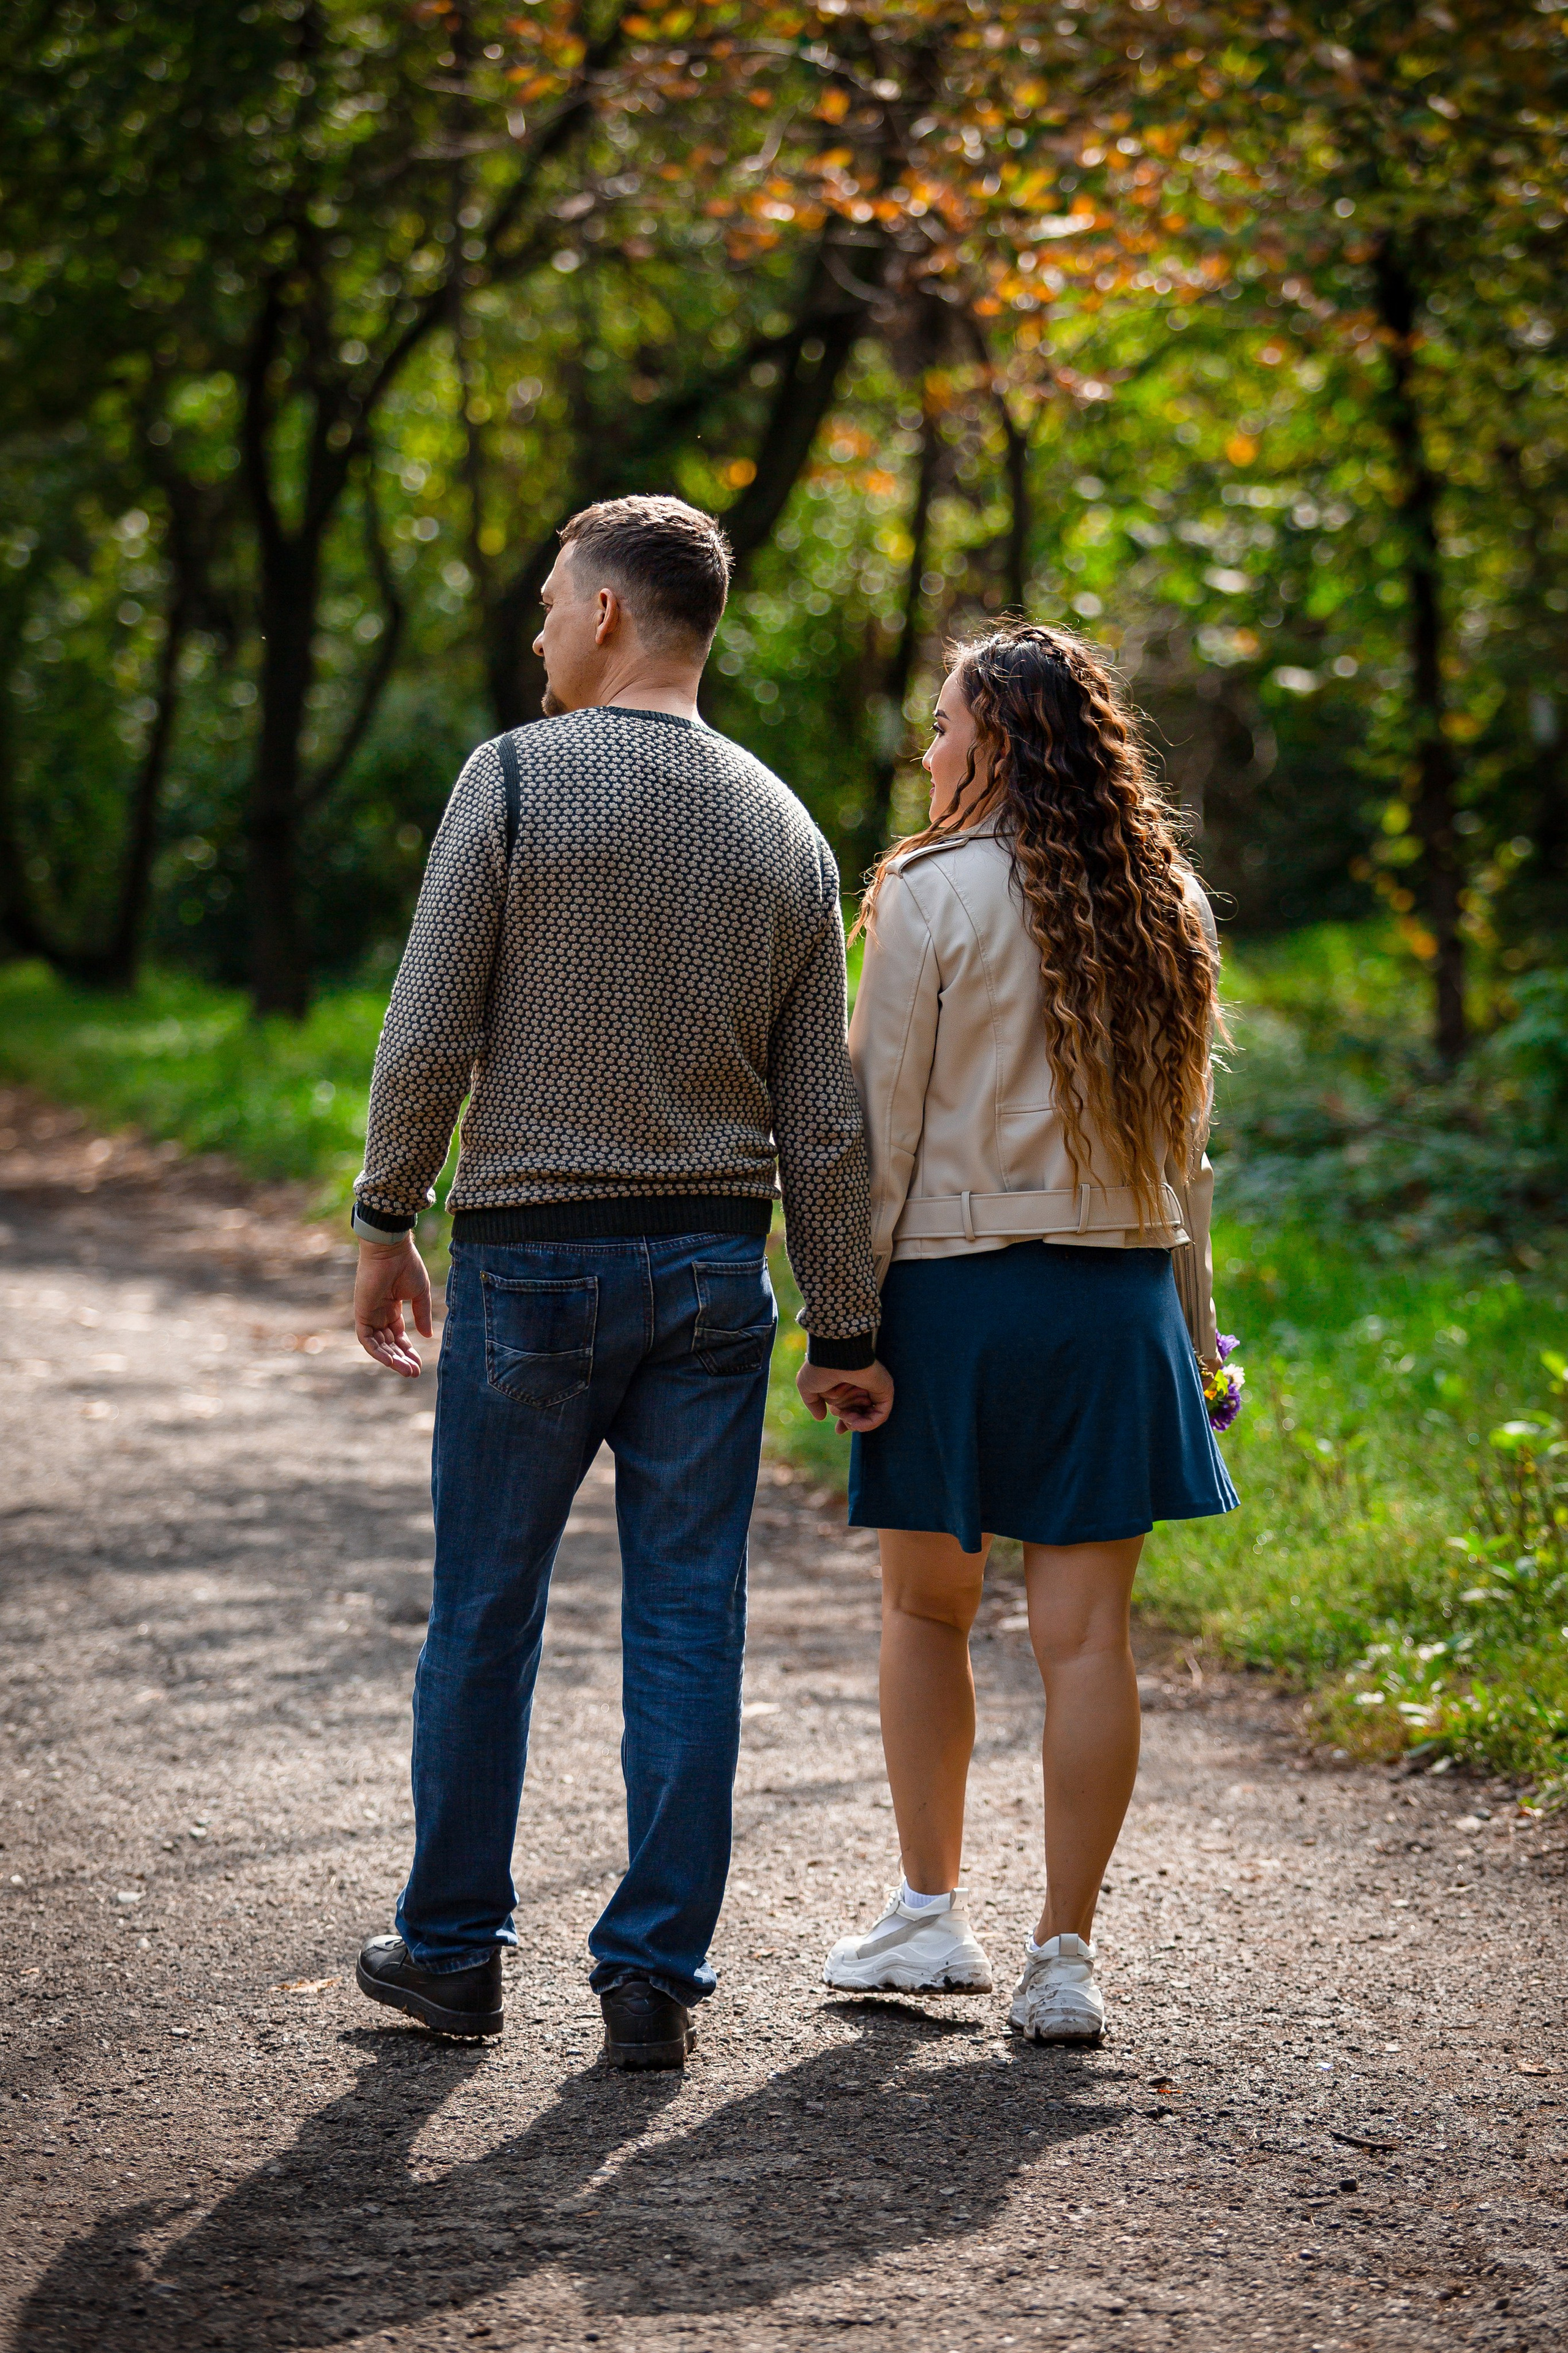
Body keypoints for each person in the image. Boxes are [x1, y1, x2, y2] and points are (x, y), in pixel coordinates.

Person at [349, 494, 892, 2067]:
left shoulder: (515, 779)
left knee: (484, 1614)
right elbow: (823, 1119)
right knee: (682, 1626)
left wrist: (389, 1213)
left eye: (544, 603)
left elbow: (429, 1018)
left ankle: (451, 1953)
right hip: (717, 1277)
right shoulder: (786, 825)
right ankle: (651, 1976)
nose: (533, 632)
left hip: (526, 1268)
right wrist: (843, 1321)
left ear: (603, 614)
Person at [822, 622, 1237, 2042]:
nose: (927, 749)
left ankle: (929, 1919)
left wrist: (841, 1321)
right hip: (1115, 1301)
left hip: (953, 1295)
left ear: (992, 738)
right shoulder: (1163, 895)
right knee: (1085, 1639)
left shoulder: (927, 892)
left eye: (942, 724)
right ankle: (1063, 1956)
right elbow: (1184, 1157)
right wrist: (1199, 1337)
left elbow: (876, 1131)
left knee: (921, 1608)